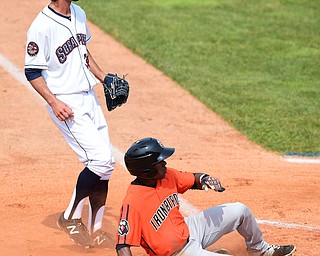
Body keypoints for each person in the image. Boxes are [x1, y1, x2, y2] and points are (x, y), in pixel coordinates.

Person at [24, 0, 118, 248]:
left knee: (106, 163)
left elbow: (83, 51)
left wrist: (104, 77)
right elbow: (32, 72)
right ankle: (68, 217)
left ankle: (96, 229)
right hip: (66, 103)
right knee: (99, 160)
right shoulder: (41, 27)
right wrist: (54, 103)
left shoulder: (78, 12)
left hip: (89, 98)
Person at [115, 137, 296, 256]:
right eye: (159, 162)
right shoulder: (133, 202)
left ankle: (260, 250)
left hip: (191, 229)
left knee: (240, 210)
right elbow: (122, 245)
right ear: (146, 170)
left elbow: (193, 179)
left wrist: (206, 179)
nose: (165, 163)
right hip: (176, 253)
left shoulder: (167, 175)